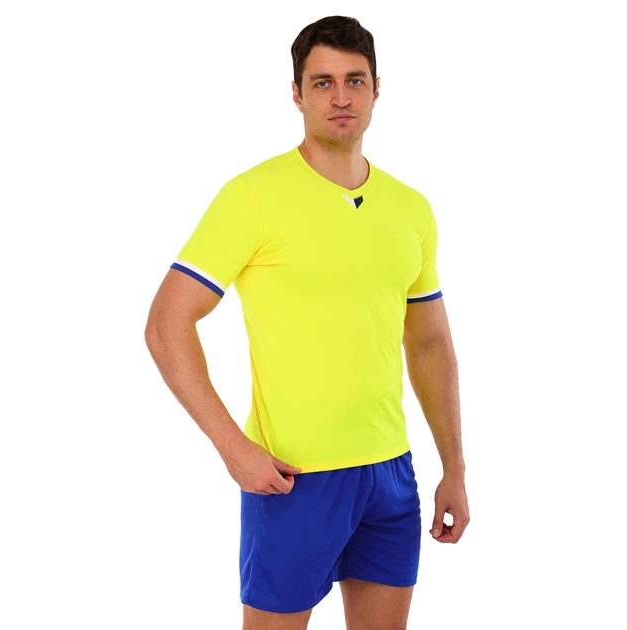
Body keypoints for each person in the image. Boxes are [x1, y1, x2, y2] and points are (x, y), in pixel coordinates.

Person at [145, 15, 469, 630]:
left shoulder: (411, 209)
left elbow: (430, 343)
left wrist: (454, 467)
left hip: (390, 474)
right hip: (291, 477)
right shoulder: (253, 197)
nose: (340, 97)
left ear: (377, 89)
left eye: (354, 80)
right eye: (322, 83)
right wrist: (231, 446)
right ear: (296, 94)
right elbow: (167, 323)